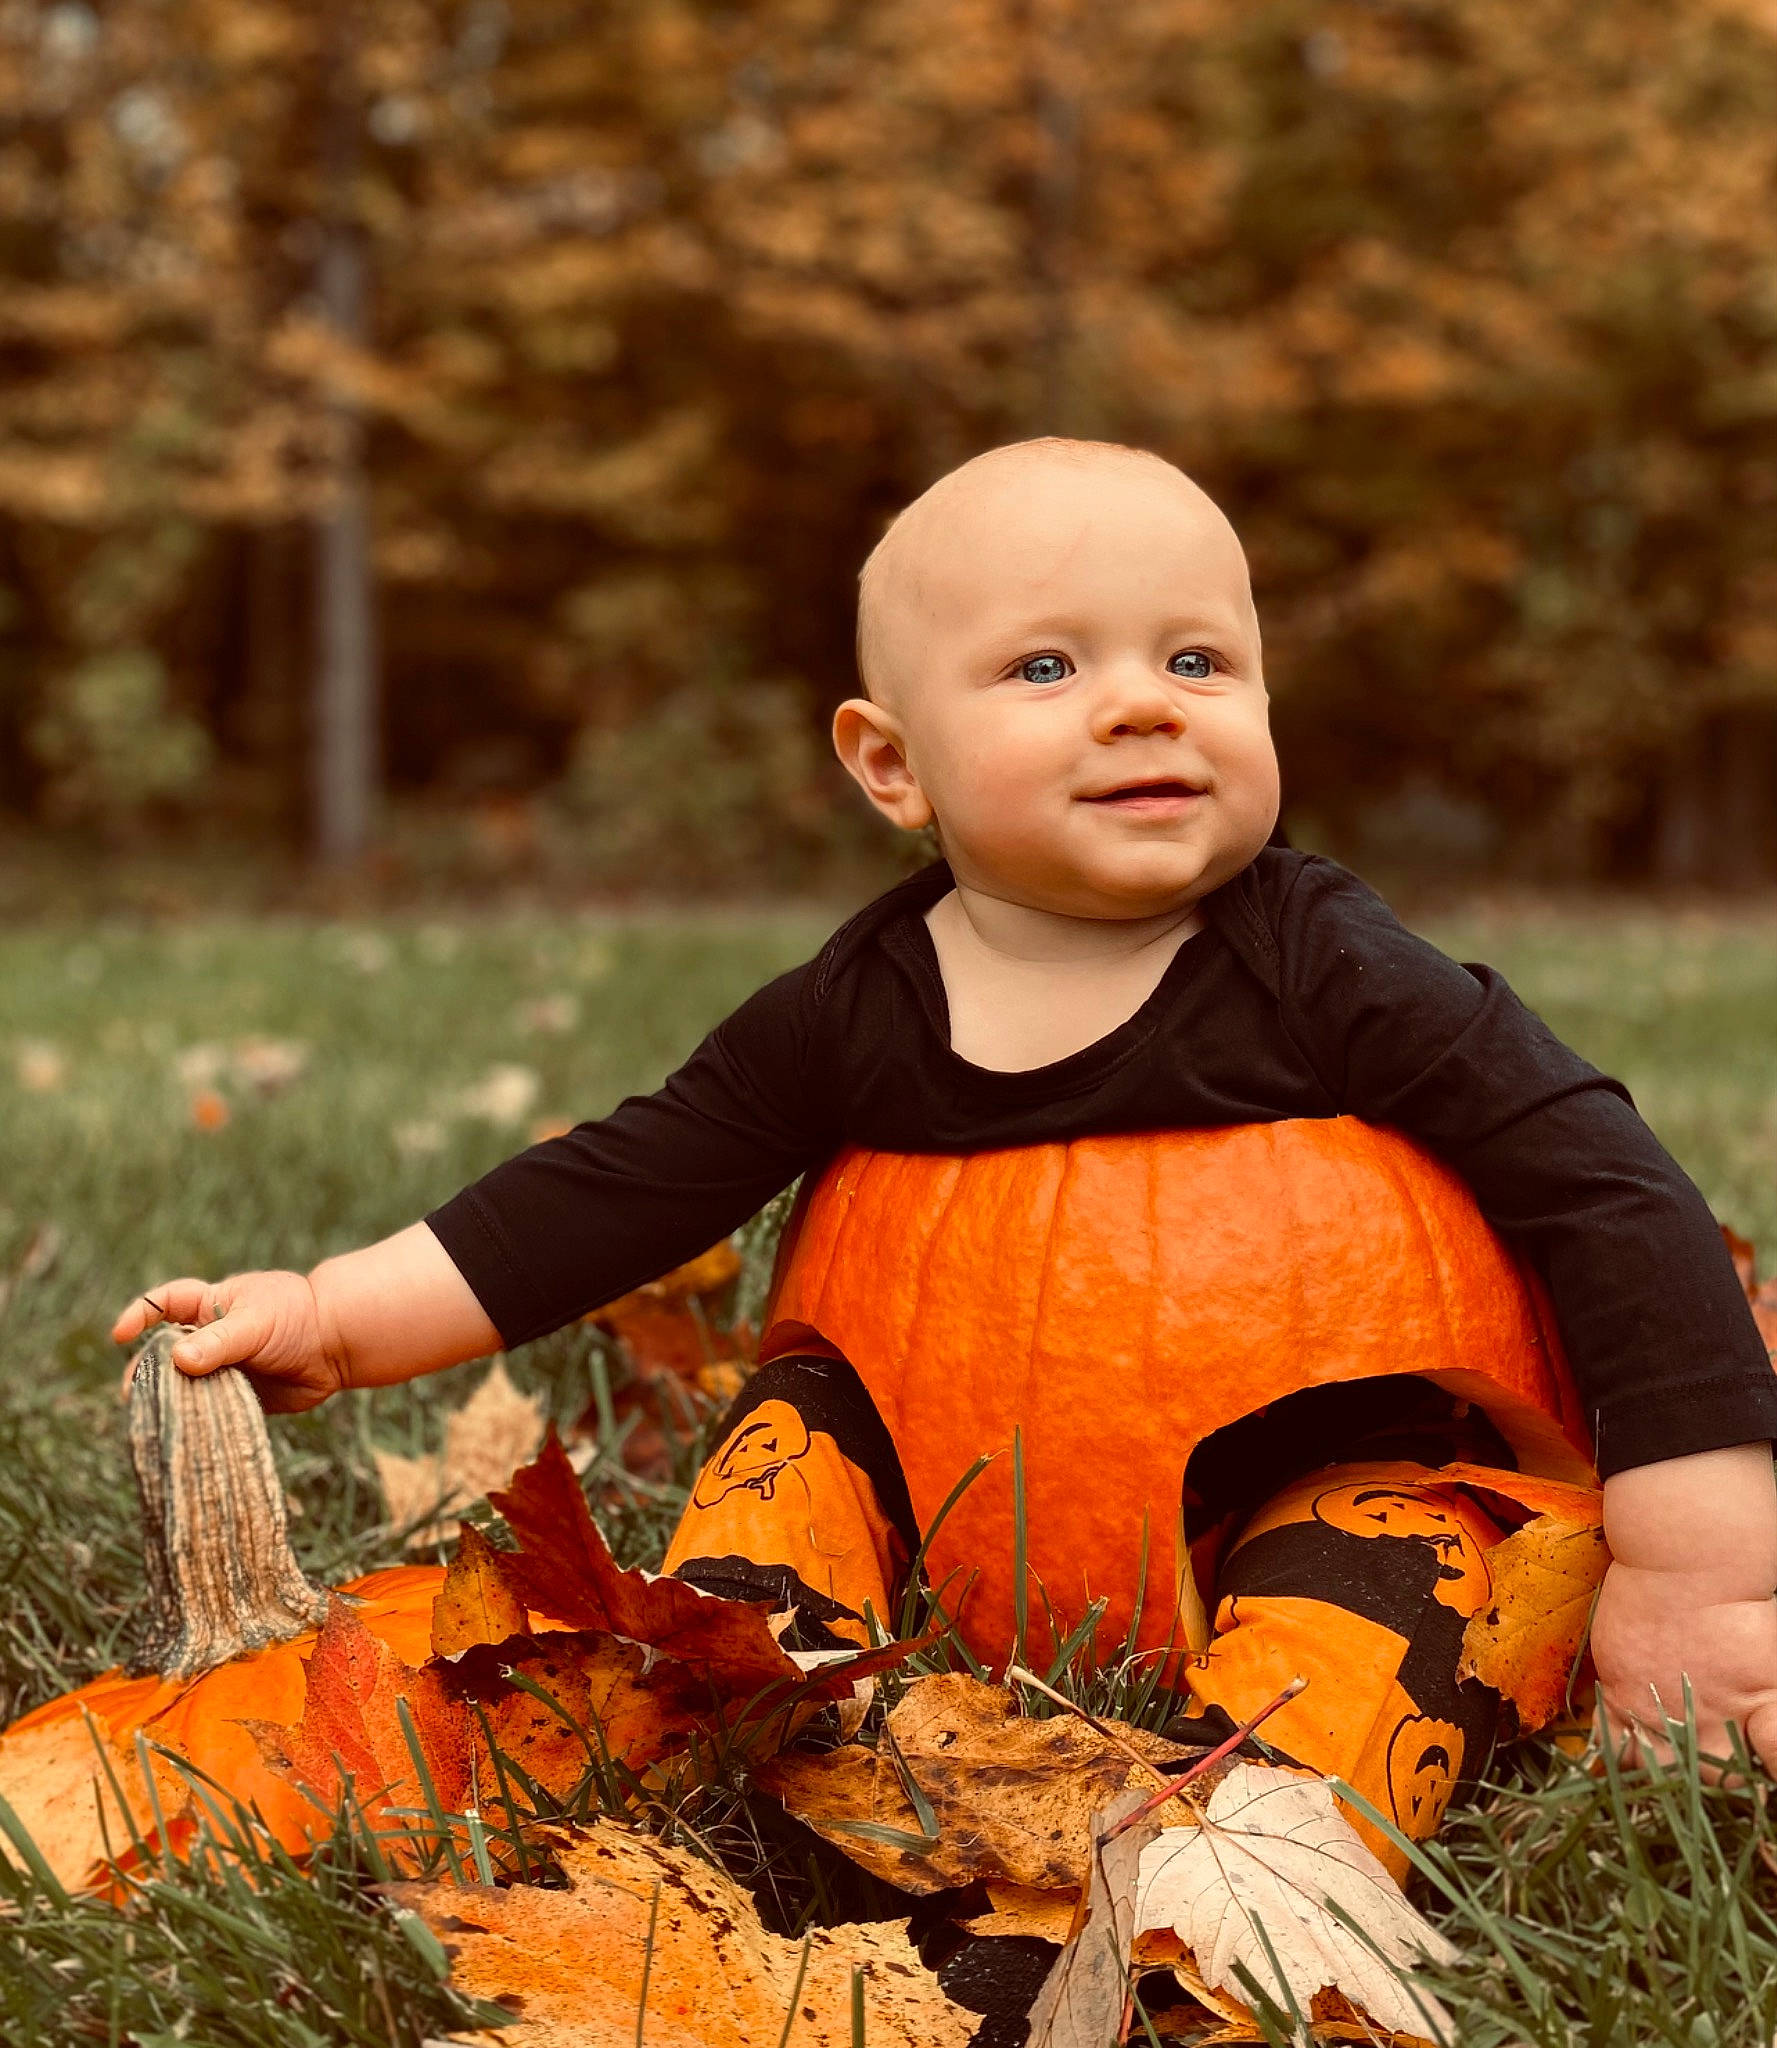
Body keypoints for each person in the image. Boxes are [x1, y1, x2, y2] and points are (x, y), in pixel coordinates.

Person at [113, 438, 1777, 1857]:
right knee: (785, 1455)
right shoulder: (854, 1010)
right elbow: (619, 1186)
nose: (1140, 707)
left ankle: (1256, 1842)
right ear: (890, 764)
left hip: (1315, 1464)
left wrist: (1701, 1579)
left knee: (1382, 1578)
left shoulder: (1327, 969)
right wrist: (336, 1316)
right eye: (1047, 669)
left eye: (1196, 664)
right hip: (943, 1467)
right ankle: (746, 1704)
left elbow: (1599, 1183)